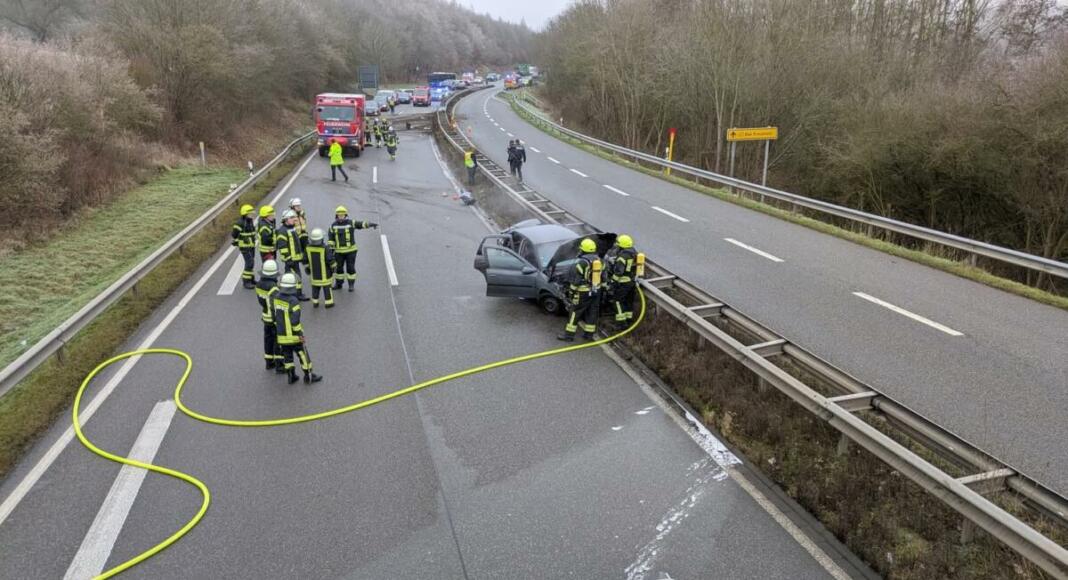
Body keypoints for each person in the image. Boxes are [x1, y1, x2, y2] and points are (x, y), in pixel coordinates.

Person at [273, 272, 322, 384]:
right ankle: (308, 376)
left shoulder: (276, 298)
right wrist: (300, 334)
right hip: (293, 336)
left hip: (281, 335)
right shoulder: (293, 301)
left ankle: (291, 376)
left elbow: (274, 313)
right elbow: (295, 321)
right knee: (302, 354)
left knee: (287, 356)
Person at [558, 238, 603, 342]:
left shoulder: (581, 263)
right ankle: (589, 335)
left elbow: (576, 281)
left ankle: (568, 336)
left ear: (583, 250)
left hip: (583, 292)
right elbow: (603, 276)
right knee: (592, 312)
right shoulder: (599, 260)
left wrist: (571, 292)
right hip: (597, 291)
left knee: (575, 312)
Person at [330, 206, 378, 292]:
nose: (341, 217)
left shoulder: (351, 223)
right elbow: (331, 239)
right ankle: (339, 284)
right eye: (339, 215)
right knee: (338, 269)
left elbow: (361, 224)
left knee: (350, 268)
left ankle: (351, 284)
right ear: (336, 215)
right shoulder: (333, 225)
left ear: (345, 215)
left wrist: (371, 224)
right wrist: (330, 251)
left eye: (342, 215)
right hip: (338, 252)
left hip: (351, 251)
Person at [605, 234, 642, 327]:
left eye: (618, 245)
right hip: (632, 282)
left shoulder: (622, 257)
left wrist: (613, 282)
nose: (617, 246)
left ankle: (621, 323)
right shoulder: (634, 252)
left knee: (617, 301)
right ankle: (629, 319)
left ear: (622, 245)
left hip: (623, 283)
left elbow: (619, 272)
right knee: (628, 301)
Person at [256, 259, 284, 372]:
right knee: (278, 341)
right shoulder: (273, 288)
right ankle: (279, 365)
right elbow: (274, 306)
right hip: (273, 318)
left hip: (265, 317)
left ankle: (269, 361)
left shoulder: (259, 285)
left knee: (267, 339)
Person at [276, 209, 309, 301]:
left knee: (290, 276)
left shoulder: (291, 228)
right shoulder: (283, 231)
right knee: (296, 276)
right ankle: (297, 294)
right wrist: (288, 259)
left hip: (295, 258)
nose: (294, 220)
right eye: (292, 218)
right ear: (286, 219)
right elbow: (282, 247)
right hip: (291, 260)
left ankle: (289, 293)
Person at [305, 228, 336, 308]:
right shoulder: (325, 248)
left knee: (315, 289)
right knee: (327, 289)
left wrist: (307, 268)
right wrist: (334, 267)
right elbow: (330, 260)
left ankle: (315, 302)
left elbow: (305, 260)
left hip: (314, 276)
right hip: (325, 275)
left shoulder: (308, 248)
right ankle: (329, 303)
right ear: (321, 239)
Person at [231, 204, 257, 289]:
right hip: (245, 247)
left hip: (251, 245)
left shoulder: (250, 221)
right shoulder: (240, 223)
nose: (252, 215)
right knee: (249, 263)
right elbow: (234, 235)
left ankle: (251, 279)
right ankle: (246, 282)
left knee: (251, 262)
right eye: (250, 213)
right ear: (245, 214)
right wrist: (240, 239)